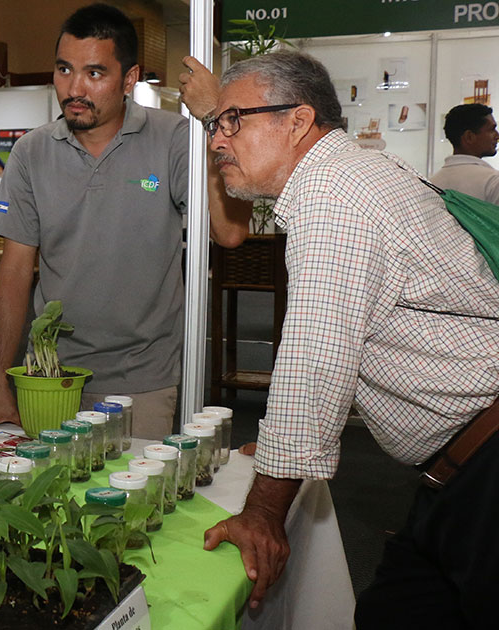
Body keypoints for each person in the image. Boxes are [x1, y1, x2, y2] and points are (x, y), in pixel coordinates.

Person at [185, 50, 499, 627]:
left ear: (297, 121)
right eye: (214, 124)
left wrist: (263, 508)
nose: (216, 141)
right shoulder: (351, 174)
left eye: (233, 120)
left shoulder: (333, 194)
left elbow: (315, 363)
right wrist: (284, 452)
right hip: (459, 471)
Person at [0, 4, 248, 439]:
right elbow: (14, 271)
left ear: (130, 78)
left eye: (95, 74)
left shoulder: (175, 139)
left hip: (142, 377)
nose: (74, 88)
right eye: (64, 69)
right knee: (48, 502)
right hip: (49, 375)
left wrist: (216, 117)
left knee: (128, 501)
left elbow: (230, 232)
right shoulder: (31, 152)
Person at [430, 103, 499, 205]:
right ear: (469, 137)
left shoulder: (432, 183)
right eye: (492, 130)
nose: (497, 135)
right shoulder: (493, 181)